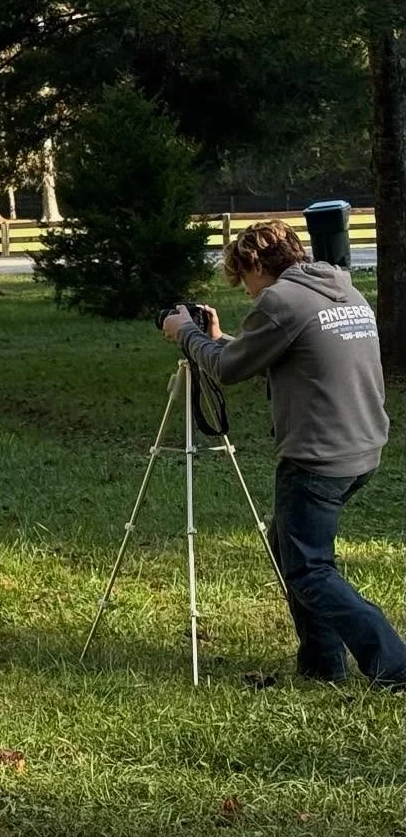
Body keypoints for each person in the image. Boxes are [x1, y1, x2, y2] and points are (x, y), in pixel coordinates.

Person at [162, 219, 406, 688]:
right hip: (363, 447)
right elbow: (283, 352)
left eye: (246, 278)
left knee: (309, 569)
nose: (249, 293)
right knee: (290, 549)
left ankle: (393, 664)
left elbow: (228, 371)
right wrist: (215, 338)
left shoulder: (281, 300)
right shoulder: (339, 290)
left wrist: (186, 332)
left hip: (316, 458)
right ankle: (320, 664)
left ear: (256, 263)